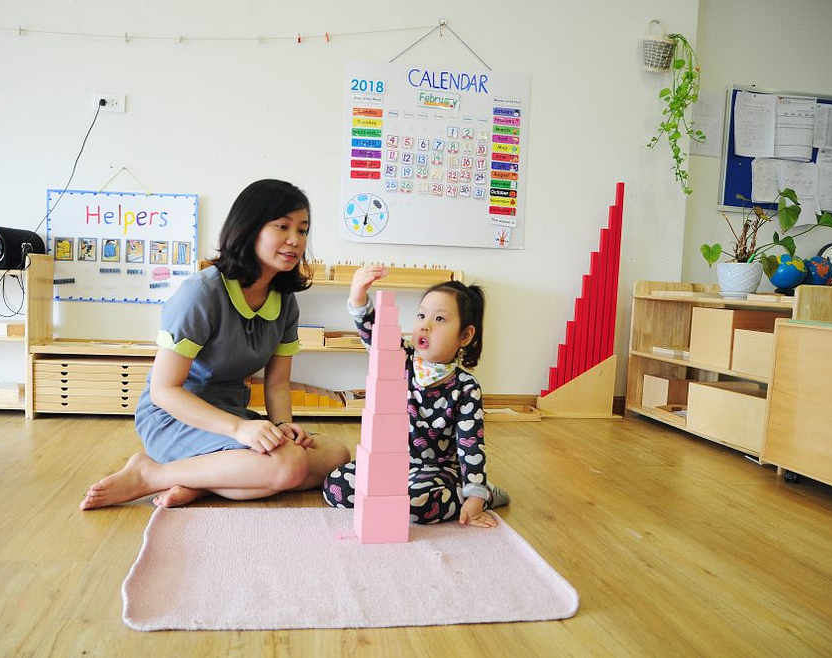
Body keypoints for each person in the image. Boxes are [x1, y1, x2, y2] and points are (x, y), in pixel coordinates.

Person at [80, 179, 350, 510]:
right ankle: (151, 474)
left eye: (303, 230)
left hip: (232, 416)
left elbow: (277, 384)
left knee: (336, 454)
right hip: (175, 418)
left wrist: (283, 427)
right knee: (289, 466)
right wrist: (238, 429)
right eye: (282, 227)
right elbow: (164, 391)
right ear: (249, 228)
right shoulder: (201, 294)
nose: (296, 240)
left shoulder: (285, 302)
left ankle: (201, 484)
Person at [322, 264, 510, 527]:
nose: (425, 326)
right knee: (336, 487)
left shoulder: (466, 387)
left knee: (414, 505)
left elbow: (471, 445)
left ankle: (484, 493)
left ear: (465, 336)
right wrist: (359, 298)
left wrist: (475, 496)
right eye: (421, 315)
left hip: (438, 471)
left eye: (440, 319)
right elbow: (376, 336)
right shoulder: (402, 358)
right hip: (392, 461)